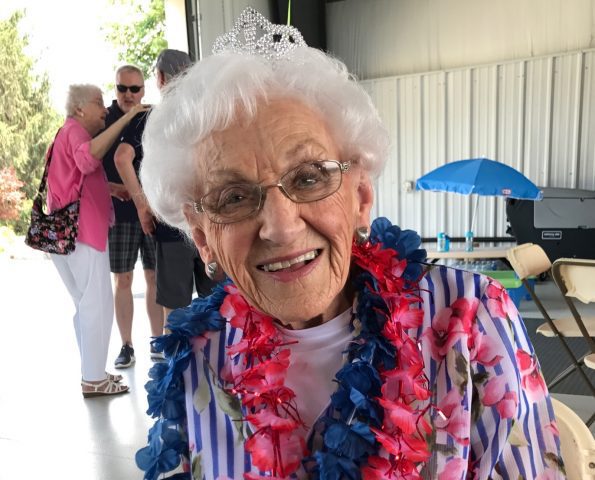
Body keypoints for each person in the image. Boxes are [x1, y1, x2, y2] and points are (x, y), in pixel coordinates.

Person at [136, 8, 564, 480]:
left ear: (361, 196)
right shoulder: (195, 358)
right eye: (233, 197)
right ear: (203, 237)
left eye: (309, 176)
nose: (280, 226)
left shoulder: (468, 318)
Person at [46, 84, 148, 397]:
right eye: (98, 103)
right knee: (96, 304)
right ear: (79, 109)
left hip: (69, 234)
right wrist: (128, 117)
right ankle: (92, 378)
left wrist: (112, 189)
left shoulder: (69, 132)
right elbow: (89, 159)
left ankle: (92, 372)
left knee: (87, 305)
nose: (105, 109)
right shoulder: (75, 131)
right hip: (83, 234)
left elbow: (79, 177)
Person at [115, 50, 215, 359]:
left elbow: (122, 158)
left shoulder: (150, 118)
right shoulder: (209, 113)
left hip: (172, 224)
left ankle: (180, 377)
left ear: (159, 78)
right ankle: (223, 372)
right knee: (220, 303)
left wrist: (143, 206)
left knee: (176, 309)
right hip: (212, 223)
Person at [102, 65, 163, 368]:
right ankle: (126, 345)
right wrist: (111, 187)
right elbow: (85, 164)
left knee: (154, 276)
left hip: (152, 212)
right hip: (120, 215)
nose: (128, 95)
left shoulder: (151, 118)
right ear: (114, 89)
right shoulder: (103, 120)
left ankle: (157, 340)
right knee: (123, 279)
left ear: (144, 89)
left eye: (134, 89)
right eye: (121, 88)